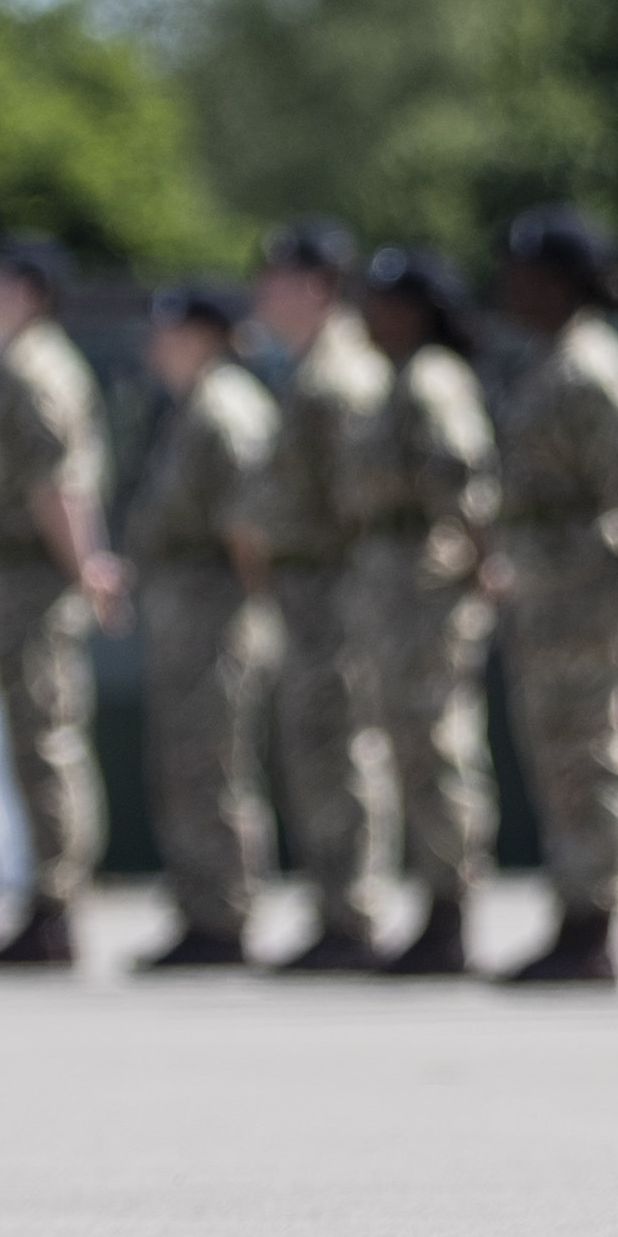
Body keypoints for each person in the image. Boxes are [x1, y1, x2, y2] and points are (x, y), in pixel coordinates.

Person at [482, 210, 618, 989]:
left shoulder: (591, 369)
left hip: (585, 588)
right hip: (549, 589)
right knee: (560, 749)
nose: (511, 288)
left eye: (526, 272)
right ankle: (574, 909)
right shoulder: (553, 361)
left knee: (590, 750)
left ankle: (595, 922)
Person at [0, 241, 119, 969]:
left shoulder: (35, 366)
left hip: (34, 578)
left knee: (44, 741)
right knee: (34, 740)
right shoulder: (26, 363)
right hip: (23, 575)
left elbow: (57, 482)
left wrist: (85, 567)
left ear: (28, 290)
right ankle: (46, 904)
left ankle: (54, 908)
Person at [346, 247, 503, 976]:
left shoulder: (432, 377)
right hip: (398, 591)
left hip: (428, 594)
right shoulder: (397, 378)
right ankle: (435, 907)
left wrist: (476, 562)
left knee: (436, 743)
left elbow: (462, 475)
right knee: (410, 745)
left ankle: (451, 911)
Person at [248, 223, 398, 977]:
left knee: (342, 742)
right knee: (316, 745)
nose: (262, 295)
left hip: (337, 586)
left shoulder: (340, 376)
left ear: (317, 287)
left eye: (277, 279)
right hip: (310, 586)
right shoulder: (310, 369)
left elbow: (358, 500)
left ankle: (355, 911)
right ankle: (336, 905)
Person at [127, 287, 285, 971]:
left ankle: (226, 916)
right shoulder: (195, 405)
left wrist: (254, 612)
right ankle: (203, 912)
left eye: (166, 329)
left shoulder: (225, 406)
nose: (153, 344)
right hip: (187, 618)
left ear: (201, 334)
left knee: (214, 767)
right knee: (188, 766)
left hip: (217, 617)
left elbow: (249, 526)